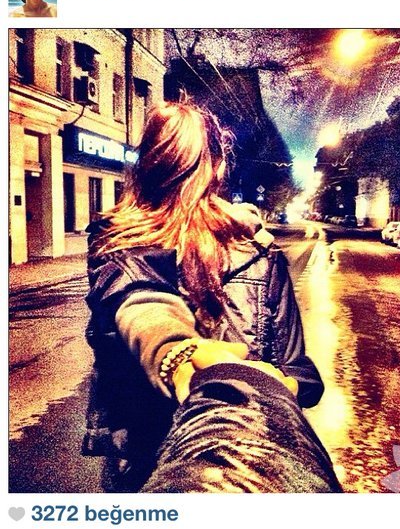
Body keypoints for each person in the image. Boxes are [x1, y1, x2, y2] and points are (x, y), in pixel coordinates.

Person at [83, 100, 325, 491]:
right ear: (218, 166)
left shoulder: (113, 243)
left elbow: (132, 301)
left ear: (144, 164)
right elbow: (145, 305)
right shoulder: (258, 250)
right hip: (245, 460)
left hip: (143, 466)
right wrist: (270, 387)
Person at [142, 343, 343, 493]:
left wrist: (272, 382)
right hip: (147, 461)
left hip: (272, 437)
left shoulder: (269, 294)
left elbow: (305, 374)